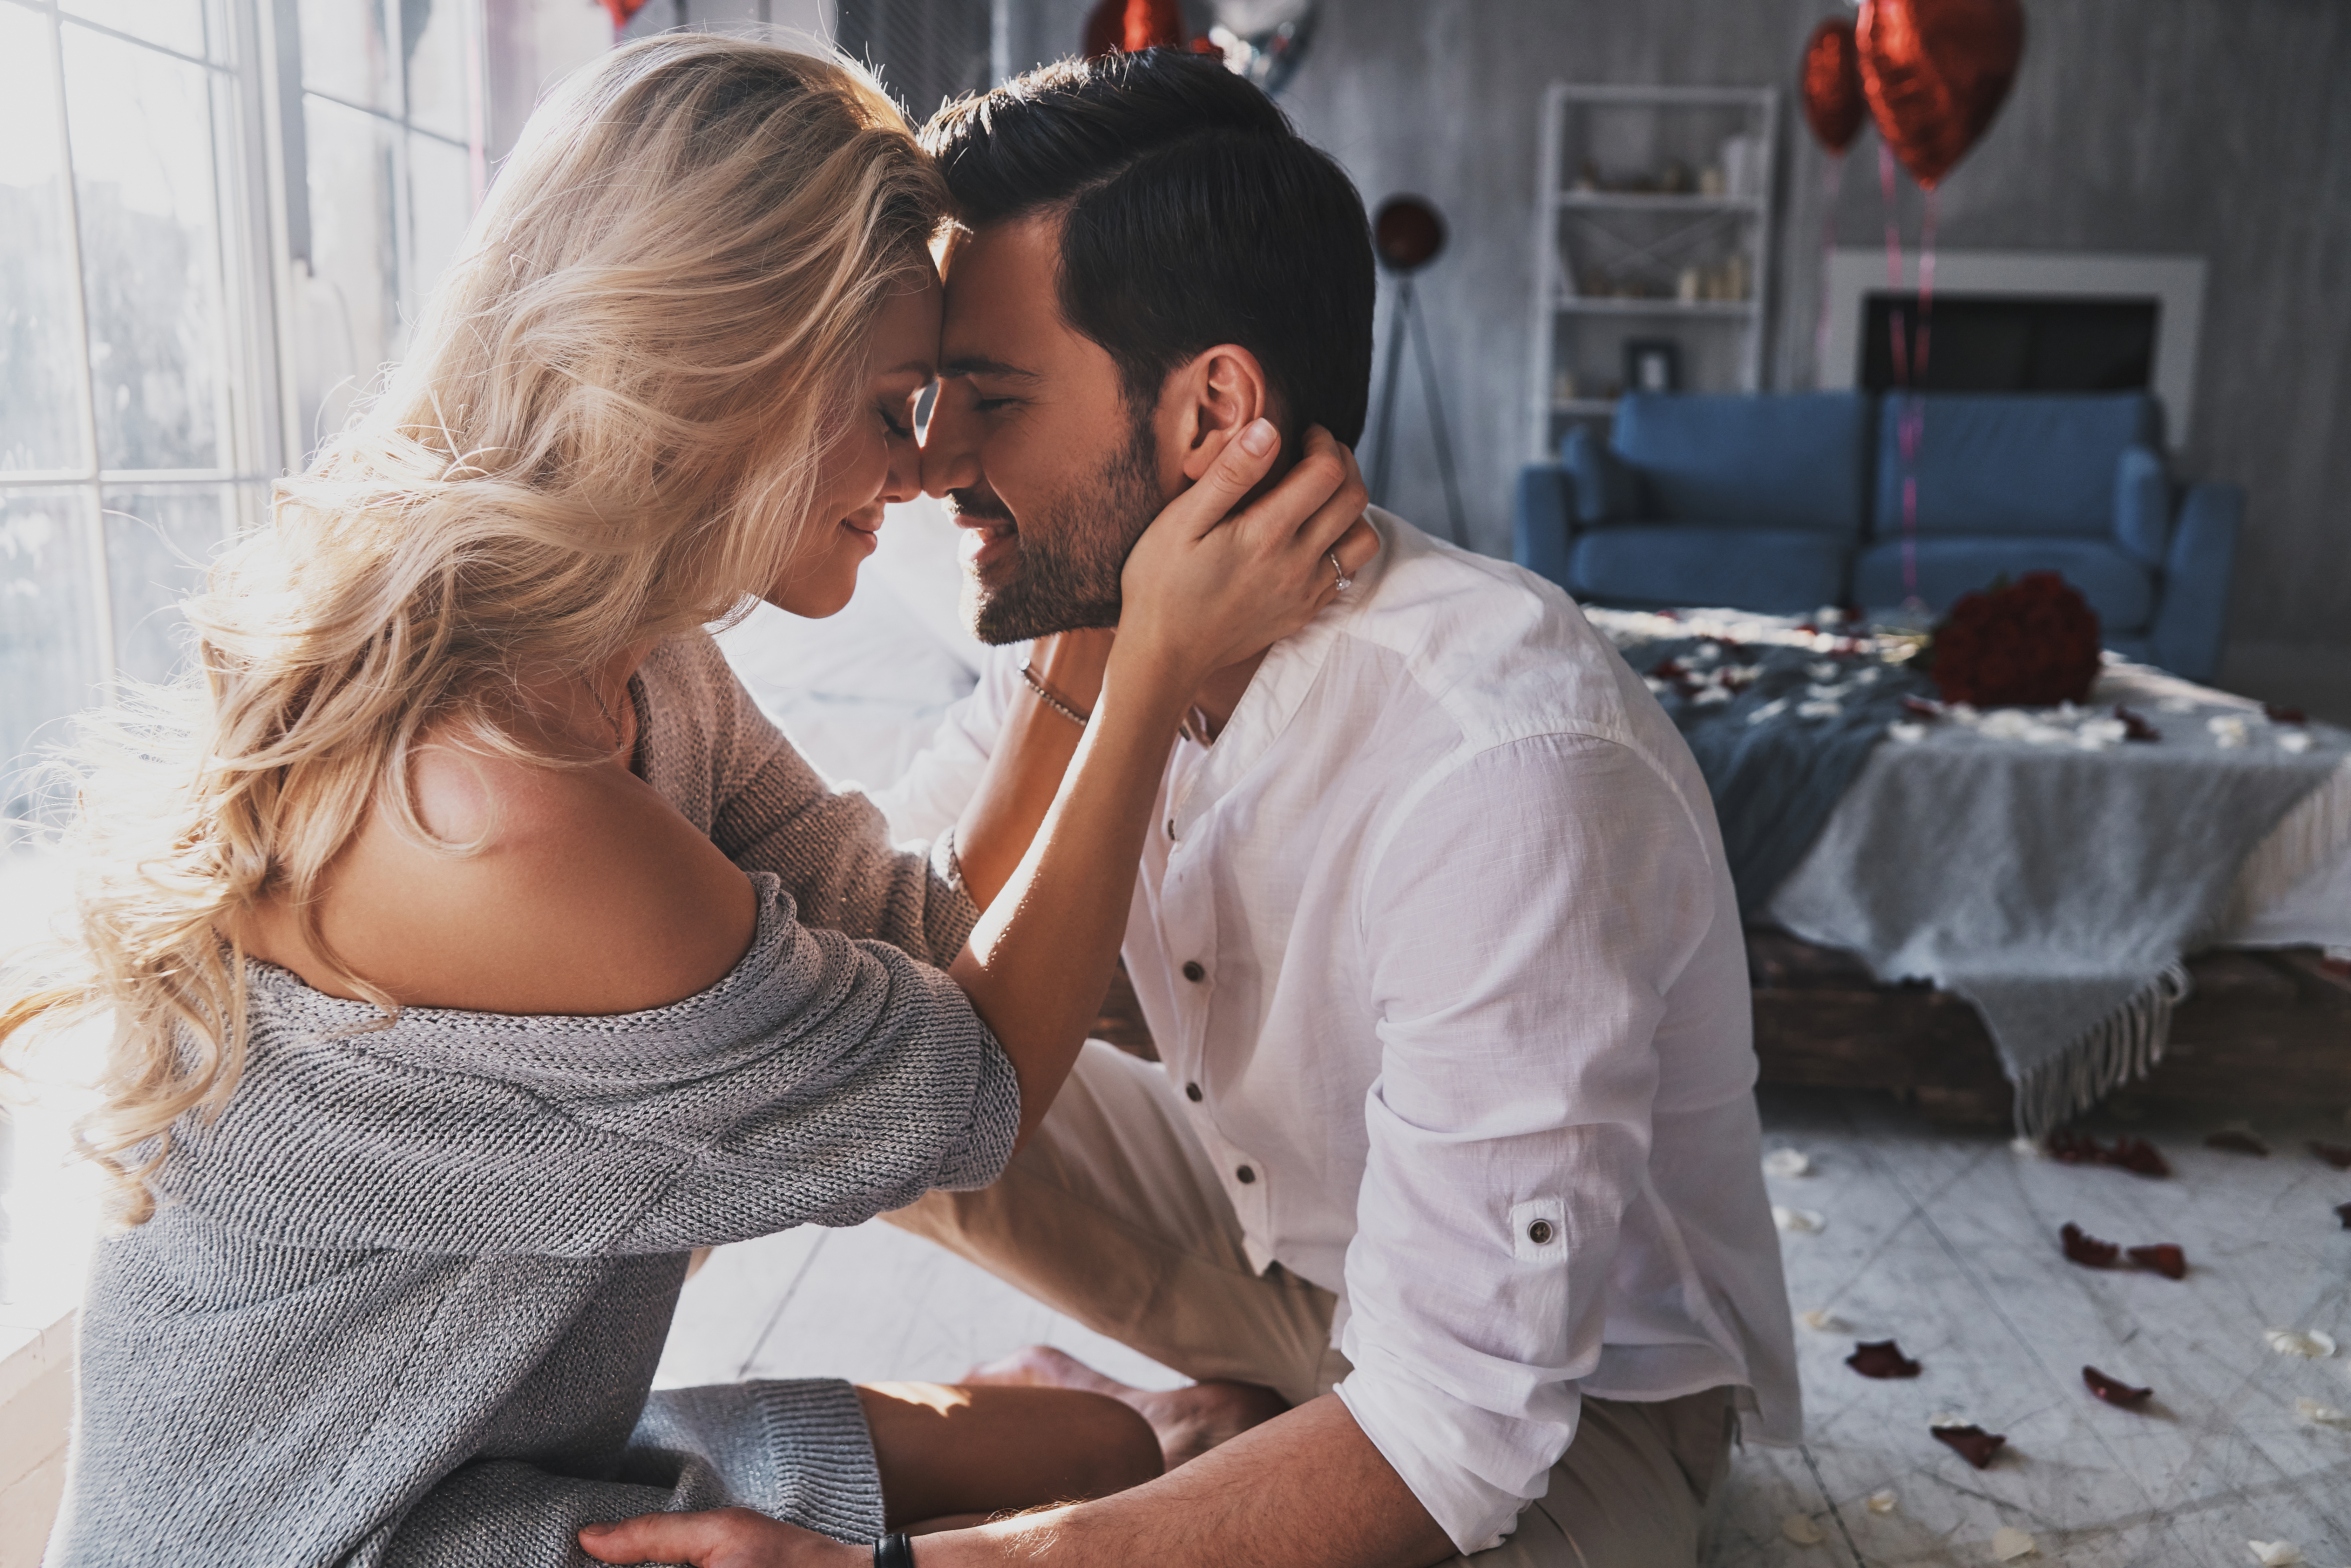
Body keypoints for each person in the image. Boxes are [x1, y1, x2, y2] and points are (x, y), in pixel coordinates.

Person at [0, 37, 1375, 1567]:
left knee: (1124, 1442)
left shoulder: (625, 666)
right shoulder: (499, 814)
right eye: (894, 405)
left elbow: (927, 937)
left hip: (489, 1451)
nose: (925, 471)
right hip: (323, 1536)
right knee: (1106, 1497)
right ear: (728, 382)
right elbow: (966, 1097)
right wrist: (1150, 661)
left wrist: (1092, 606)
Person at [580, 47, 1800, 1568]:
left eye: (995, 400)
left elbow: (1459, 1429)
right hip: (1289, 1248)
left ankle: (1216, 1448)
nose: (929, 461)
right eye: (928, 396)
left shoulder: (1500, 758)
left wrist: (913, 1565)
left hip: (1576, 1405)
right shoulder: (1104, 631)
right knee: (855, 1044)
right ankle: (1223, 1434)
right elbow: (868, 972)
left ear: (1212, 411)